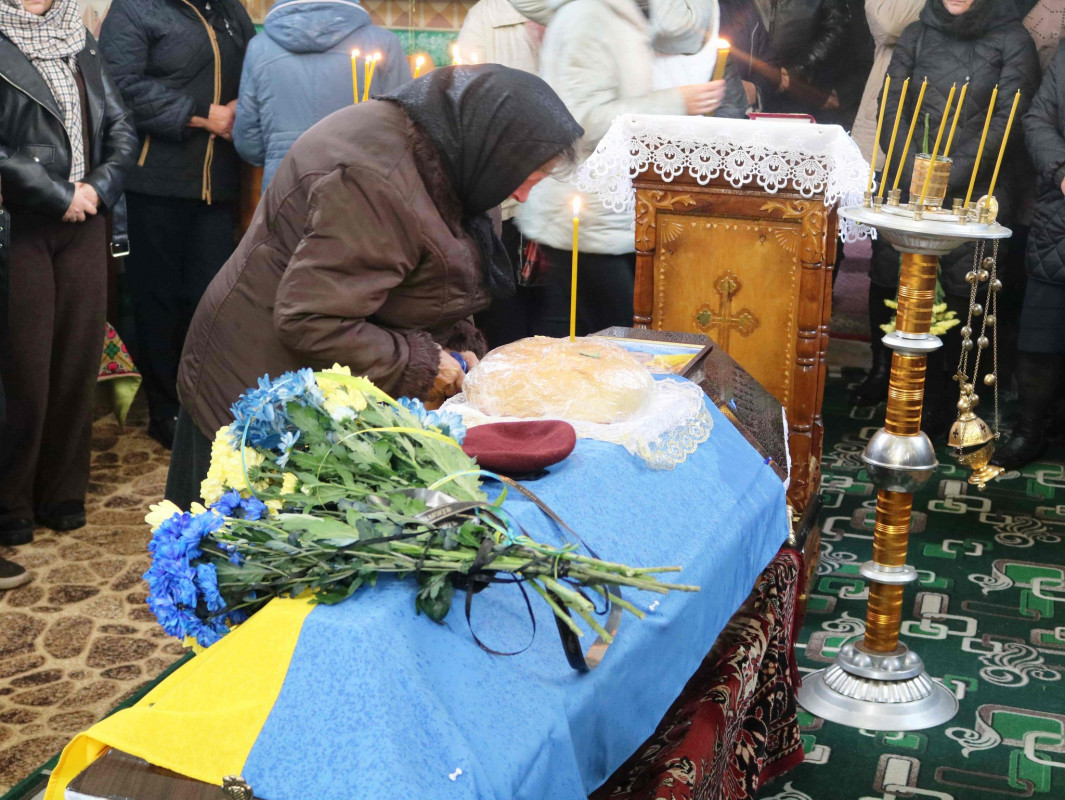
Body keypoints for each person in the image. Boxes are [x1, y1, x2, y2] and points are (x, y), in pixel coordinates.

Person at [168, 66, 584, 506]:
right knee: (226, 535)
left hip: (322, 377)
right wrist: (425, 363)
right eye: (525, 179)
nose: (522, 197)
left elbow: (436, 269)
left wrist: (457, 341)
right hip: (256, 380)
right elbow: (313, 320)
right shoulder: (374, 180)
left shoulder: (463, 161)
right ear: (493, 147)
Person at [0, 0, 137, 547]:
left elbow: (122, 125)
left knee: (77, 361)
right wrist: (57, 194)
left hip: (86, 219)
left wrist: (97, 189)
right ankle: (11, 501)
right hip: (19, 224)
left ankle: (61, 492)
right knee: (23, 369)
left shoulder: (78, 34)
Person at [510, 0, 723, 337]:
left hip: (605, 214)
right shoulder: (587, 16)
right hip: (582, 216)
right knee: (611, 338)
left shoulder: (621, 14)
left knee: (585, 337)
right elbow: (578, 121)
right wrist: (677, 102)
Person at [878, 0, 1039, 436]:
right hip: (912, 186)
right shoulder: (917, 33)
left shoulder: (1013, 39)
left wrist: (945, 176)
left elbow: (1009, 120)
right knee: (906, 293)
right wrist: (915, 171)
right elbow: (891, 105)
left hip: (977, 191)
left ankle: (957, 408)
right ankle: (907, 399)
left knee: (964, 299)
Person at [99, 0, 255, 450]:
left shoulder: (230, 10)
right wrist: (204, 114)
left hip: (219, 186)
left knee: (209, 302)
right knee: (158, 301)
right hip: (155, 184)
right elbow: (119, 87)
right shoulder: (135, 8)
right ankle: (165, 408)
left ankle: (199, 406)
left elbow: (255, 68)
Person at [233, 0, 411, 195]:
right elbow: (403, 127)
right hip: (357, 189)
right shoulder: (383, 43)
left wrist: (278, 156)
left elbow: (247, 138)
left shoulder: (259, 47)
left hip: (284, 188)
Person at [456, 0, 545, 349]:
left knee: (554, 325)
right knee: (504, 320)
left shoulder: (585, 13)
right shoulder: (488, 14)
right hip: (505, 201)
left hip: (560, 209)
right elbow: (464, 102)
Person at [848, 0, 924, 406]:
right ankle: (883, 368)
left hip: (945, 126)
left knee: (939, 262)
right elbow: (887, 21)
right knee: (886, 257)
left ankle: (931, 376)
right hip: (887, 131)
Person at [993, 44, 1065, 469]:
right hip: (1060, 212)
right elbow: (1038, 119)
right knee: (1041, 332)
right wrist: (1062, 171)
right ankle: (1029, 429)